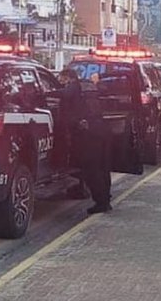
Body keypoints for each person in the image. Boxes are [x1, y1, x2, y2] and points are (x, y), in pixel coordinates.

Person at [59, 69, 112, 214]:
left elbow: (63, 95)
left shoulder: (74, 87)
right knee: (102, 168)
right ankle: (106, 199)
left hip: (87, 133)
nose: (61, 83)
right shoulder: (89, 86)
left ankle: (101, 203)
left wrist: (45, 93)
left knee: (91, 170)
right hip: (101, 129)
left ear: (68, 78)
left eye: (62, 80)